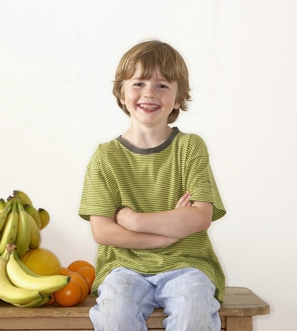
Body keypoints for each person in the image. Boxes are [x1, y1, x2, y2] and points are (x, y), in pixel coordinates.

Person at [78, 39, 226, 331]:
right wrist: (168, 233)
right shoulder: (105, 156)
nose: (149, 93)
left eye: (162, 85)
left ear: (179, 96)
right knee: (114, 316)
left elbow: (199, 217)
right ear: (121, 93)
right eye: (138, 83)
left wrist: (133, 220)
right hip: (123, 269)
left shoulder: (190, 147)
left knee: (193, 313)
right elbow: (103, 231)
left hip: (189, 265)